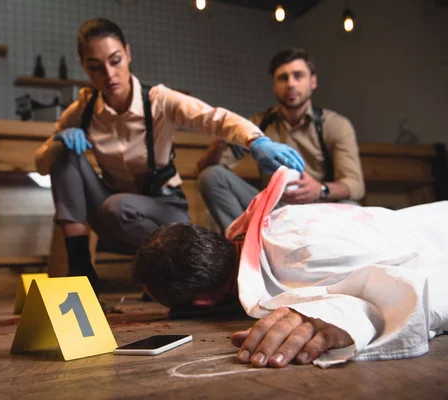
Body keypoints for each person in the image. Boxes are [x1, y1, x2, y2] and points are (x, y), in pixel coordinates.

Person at [34, 18, 304, 290]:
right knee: (65, 155)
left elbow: (215, 118)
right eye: (95, 67)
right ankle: (80, 267)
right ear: (83, 66)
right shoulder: (85, 108)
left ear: (128, 54)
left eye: (115, 60)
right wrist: (58, 141)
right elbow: (43, 165)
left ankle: (170, 268)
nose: (108, 74)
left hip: (163, 213)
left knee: (117, 206)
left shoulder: (158, 100)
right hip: (111, 214)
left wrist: (256, 141)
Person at [133, 166, 448, 368]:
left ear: (202, 302)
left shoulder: (297, 267)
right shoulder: (279, 219)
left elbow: (422, 272)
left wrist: (348, 313)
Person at [196, 48, 365, 232]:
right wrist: (221, 140)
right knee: (211, 177)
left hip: (319, 212)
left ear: (313, 81)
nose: (291, 84)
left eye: (298, 76)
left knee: (352, 207)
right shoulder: (258, 124)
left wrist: (320, 190)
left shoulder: (335, 125)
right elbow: (207, 172)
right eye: (283, 78)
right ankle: (243, 246)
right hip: (272, 213)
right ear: (274, 86)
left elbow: (355, 185)